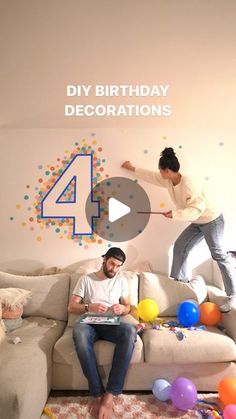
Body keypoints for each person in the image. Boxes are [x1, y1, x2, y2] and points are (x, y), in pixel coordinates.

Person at [122, 147, 236, 312]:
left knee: (218, 254)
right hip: (198, 221)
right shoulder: (168, 180)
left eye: (161, 171)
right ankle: (179, 283)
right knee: (180, 246)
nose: (159, 173)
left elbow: (198, 208)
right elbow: (151, 176)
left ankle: (233, 294)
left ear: (167, 171)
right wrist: (131, 168)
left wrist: (175, 214)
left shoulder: (189, 183)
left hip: (212, 219)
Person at [68, 247, 137, 419]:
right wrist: (88, 307)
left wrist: (122, 309)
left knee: (129, 330)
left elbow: (129, 308)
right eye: (112, 263)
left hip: (111, 323)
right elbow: (71, 307)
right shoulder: (85, 279)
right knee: (79, 333)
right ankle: (98, 393)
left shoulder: (121, 281)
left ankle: (110, 395)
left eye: (118, 266)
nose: (114, 268)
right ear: (104, 259)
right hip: (89, 324)